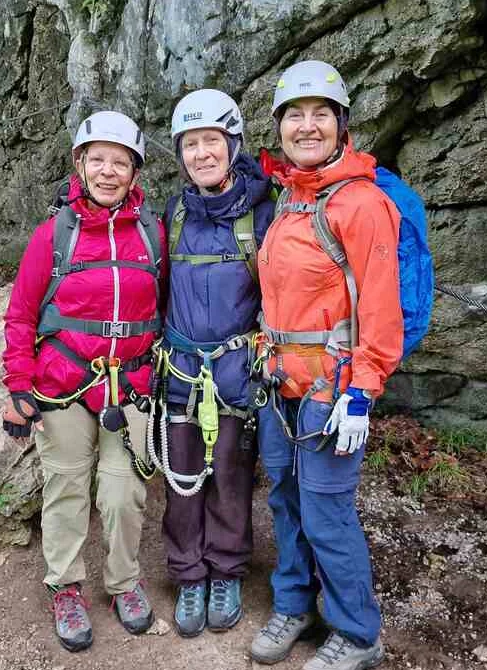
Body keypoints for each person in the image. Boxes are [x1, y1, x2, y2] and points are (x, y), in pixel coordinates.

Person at [249, 60, 402, 670]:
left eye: (320, 115)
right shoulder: (290, 199)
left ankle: (357, 631)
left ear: (342, 125)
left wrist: (363, 391)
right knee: (285, 500)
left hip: (331, 389)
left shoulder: (361, 204)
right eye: (294, 115)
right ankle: (293, 607)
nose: (306, 127)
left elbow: (381, 308)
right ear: (280, 127)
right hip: (280, 383)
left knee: (327, 511)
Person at [1, 110, 164, 652]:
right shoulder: (55, 235)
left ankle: (122, 582)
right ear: (80, 165)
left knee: (123, 493)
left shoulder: (152, 235)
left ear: (135, 173)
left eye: (121, 162)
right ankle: (66, 587)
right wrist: (18, 386)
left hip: (131, 384)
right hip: (63, 382)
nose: (109, 171)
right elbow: (22, 315)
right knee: (67, 486)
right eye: (98, 160)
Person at [152, 89, 275, 637]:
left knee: (229, 477)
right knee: (181, 478)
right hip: (180, 370)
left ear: (233, 144)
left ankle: (225, 571)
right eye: (191, 144)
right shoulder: (175, 213)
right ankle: (188, 574)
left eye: (212, 142)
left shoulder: (261, 213)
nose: (202, 153)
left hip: (236, 371)